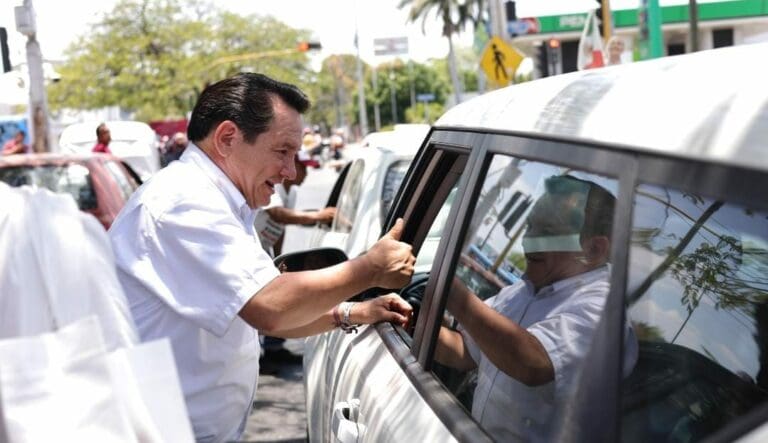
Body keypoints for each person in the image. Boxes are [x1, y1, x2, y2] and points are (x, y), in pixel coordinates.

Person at [108, 72, 415, 443]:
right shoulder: (184, 203)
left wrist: (353, 312)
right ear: (227, 139)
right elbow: (269, 306)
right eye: (282, 151)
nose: (289, 172)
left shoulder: (217, 201)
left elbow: (261, 315)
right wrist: (370, 269)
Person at [434, 175, 637, 442]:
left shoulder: (605, 312)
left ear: (593, 249)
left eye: (548, 232)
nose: (528, 240)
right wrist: (411, 321)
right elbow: (464, 352)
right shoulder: (523, 291)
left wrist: (450, 288)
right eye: (530, 227)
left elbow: (532, 363)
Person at [254, 150, 332, 257]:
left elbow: (281, 225)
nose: (306, 173)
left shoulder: (292, 193)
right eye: (303, 168)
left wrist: (278, 258)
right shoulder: (273, 185)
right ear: (290, 165)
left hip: (263, 251)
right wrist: (318, 216)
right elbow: (279, 215)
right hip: (250, 249)